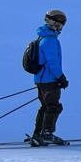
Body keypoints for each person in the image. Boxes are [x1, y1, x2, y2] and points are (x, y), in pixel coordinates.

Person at [29, 9, 68, 147]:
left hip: (40, 80)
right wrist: (61, 78)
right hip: (49, 80)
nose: (61, 28)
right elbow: (53, 63)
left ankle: (38, 134)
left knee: (45, 107)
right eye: (60, 24)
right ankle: (47, 134)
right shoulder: (50, 41)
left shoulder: (42, 37)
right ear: (55, 23)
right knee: (53, 107)